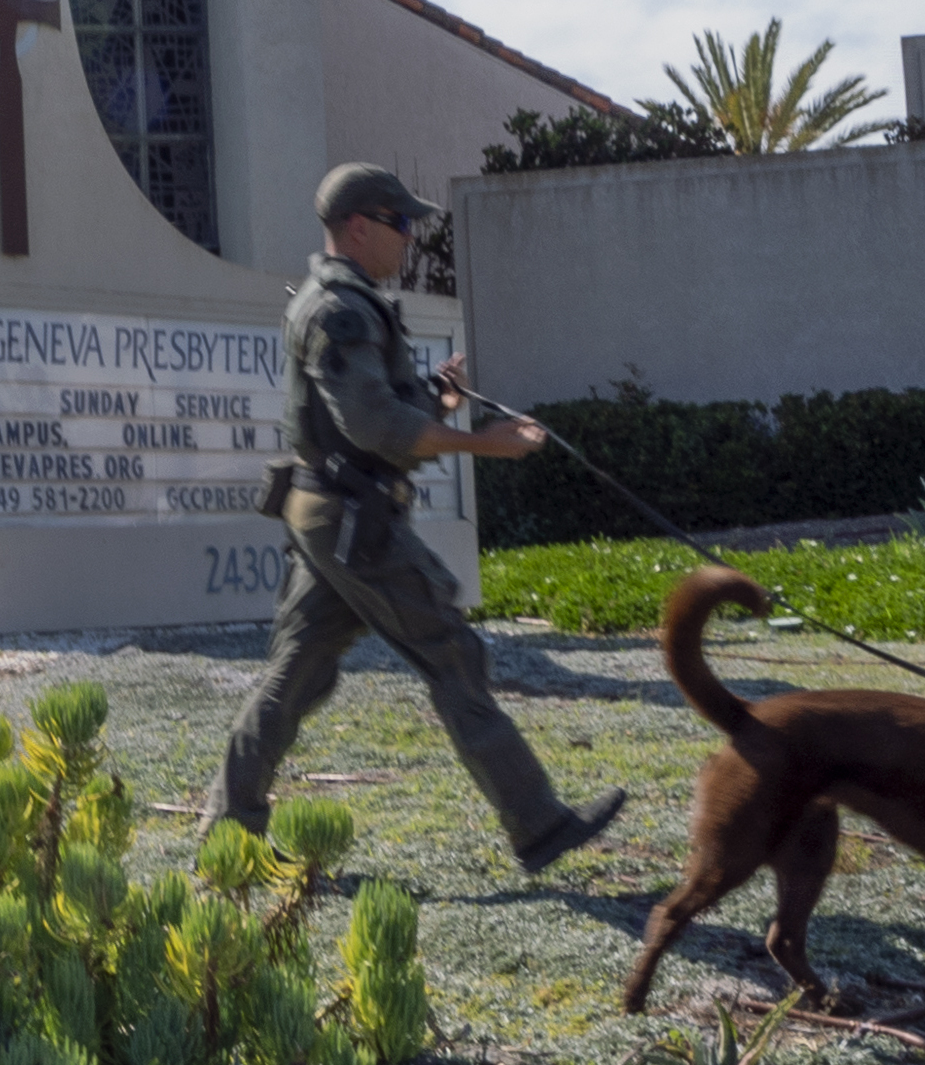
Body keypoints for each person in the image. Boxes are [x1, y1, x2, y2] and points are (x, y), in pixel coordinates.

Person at [212, 163, 626, 874]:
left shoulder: (345, 301)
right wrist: (481, 444)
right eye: (400, 223)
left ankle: (229, 836)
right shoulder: (337, 309)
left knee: (298, 672)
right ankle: (537, 824)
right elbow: (373, 425)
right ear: (359, 227)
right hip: (351, 519)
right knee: (450, 653)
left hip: (327, 512)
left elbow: (364, 417)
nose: (409, 237)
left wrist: (437, 403)